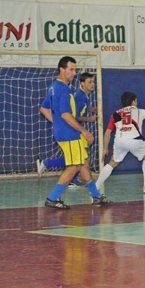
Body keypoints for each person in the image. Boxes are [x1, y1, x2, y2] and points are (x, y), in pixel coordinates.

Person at [40, 56, 111, 209]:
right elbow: (66, 114)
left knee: (83, 164)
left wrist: (57, 123)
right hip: (70, 134)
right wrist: (84, 131)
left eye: (75, 70)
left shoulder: (53, 87)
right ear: (61, 69)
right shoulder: (64, 89)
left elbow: (44, 108)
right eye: (71, 69)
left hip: (64, 132)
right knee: (74, 167)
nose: (74, 73)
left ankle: (96, 196)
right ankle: (52, 198)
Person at [96, 91, 145, 193]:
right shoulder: (140, 111)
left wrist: (105, 149)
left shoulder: (115, 114)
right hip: (135, 139)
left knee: (112, 163)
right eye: (136, 100)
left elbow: (107, 133)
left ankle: (96, 187)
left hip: (120, 140)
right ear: (133, 101)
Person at [37, 72, 98, 189]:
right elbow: (72, 116)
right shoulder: (78, 95)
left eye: (93, 82)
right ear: (82, 84)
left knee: (80, 159)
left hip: (75, 130)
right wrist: (89, 120)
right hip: (74, 131)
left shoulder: (83, 96)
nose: (92, 84)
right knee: (78, 161)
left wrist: (91, 109)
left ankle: (90, 190)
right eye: (89, 82)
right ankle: (50, 167)